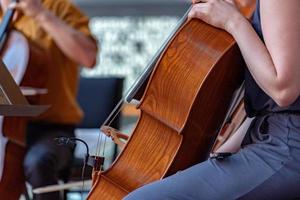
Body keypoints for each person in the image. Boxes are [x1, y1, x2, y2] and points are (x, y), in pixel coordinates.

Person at [124, 0, 300, 199]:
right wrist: (220, 154)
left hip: (285, 151)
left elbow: (283, 90)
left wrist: (233, 21)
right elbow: (269, 111)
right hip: (279, 142)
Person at [0, 0, 97, 199]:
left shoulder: (58, 7)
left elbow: (88, 57)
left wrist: (41, 14)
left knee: (38, 162)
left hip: (53, 129)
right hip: (4, 128)